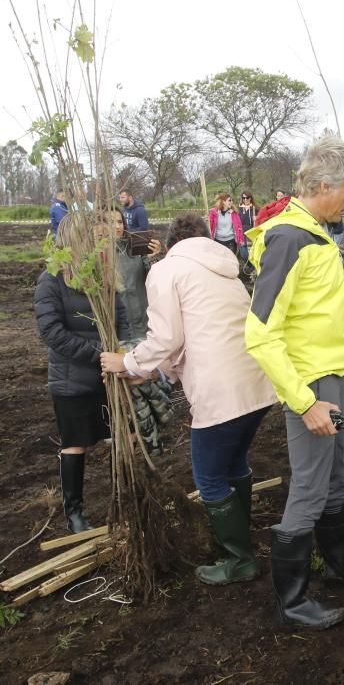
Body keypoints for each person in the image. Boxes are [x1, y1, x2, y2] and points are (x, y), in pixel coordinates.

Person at [245, 136, 344, 629]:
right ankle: (291, 602)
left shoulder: (316, 232)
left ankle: (341, 561)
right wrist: (306, 402)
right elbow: (261, 334)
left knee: (341, 473)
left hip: (330, 374)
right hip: (308, 386)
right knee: (310, 485)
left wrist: (343, 356)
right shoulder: (290, 238)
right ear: (324, 185)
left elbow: (313, 313)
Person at [101, 213, 278, 586]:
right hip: (257, 383)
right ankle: (240, 537)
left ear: (171, 242)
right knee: (234, 462)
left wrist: (128, 361)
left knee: (209, 476)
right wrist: (154, 371)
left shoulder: (167, 270)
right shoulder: (227, 270)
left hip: (220, 387)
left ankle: (239, 559)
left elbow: (166, 336)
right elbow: (197, 329)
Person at [34, 212, 129, 534]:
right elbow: (52, 332)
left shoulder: (103, 275)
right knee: (75, 443)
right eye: (95, 237)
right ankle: (74, 513)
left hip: (111, 375)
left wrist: (123, 353)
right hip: (73, 381)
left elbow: (124, 319)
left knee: (124, 435)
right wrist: (99, 356)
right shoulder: (51, 280)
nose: (103, 241)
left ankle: (127, 499)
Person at [111, 208, 161, 340]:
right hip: (117, 331)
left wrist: (152, 257)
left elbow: (156, 280)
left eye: (119, 222)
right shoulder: (98, 257)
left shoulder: (135, 248)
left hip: (144, 324)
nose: (117, 226)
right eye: (110, 222)